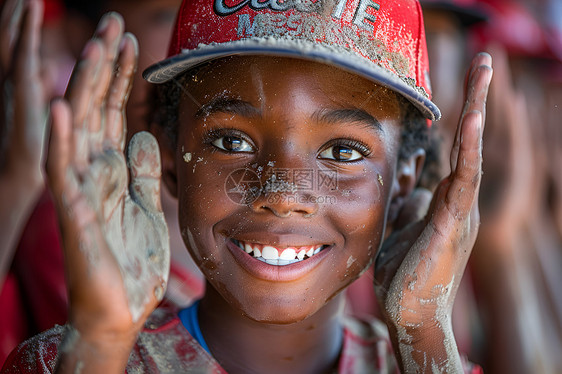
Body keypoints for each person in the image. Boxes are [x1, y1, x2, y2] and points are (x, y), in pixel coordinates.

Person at [2, 0, 492, 372]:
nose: (280, 193)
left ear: (403, 183)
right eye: (232, 140)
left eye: (343, 152)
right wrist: (102, 340)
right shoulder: (69, 360)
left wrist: (422, 331)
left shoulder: (429, 358)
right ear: (169, 157)